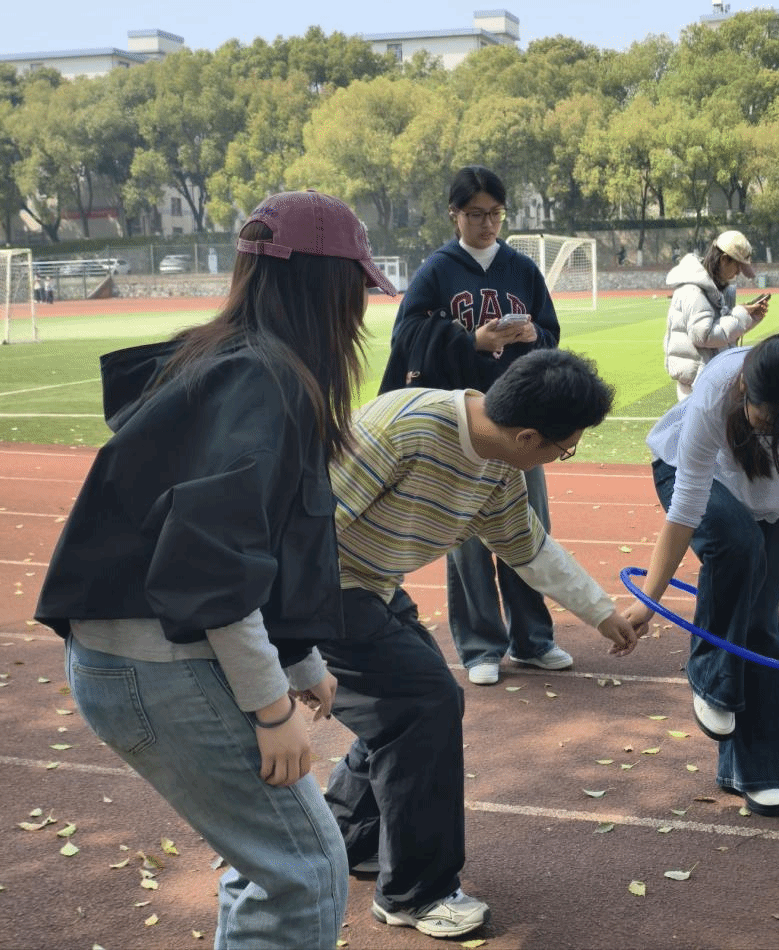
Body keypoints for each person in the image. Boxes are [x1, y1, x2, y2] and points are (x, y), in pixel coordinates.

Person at [34, 191, 396, 949]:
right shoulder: (264, 379)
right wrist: (270, 708)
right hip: (157, 662)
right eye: (355, 287)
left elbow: (256, 534)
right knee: (303, 868)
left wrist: (298, 661)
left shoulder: (223, 357)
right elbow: (210, 562)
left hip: (132, 654)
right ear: (325, 287)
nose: (360, 308)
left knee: (268, 858)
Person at [320, 348, 644, 938]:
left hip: (374, 585)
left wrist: (601, 613)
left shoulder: (497, 467)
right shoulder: (403, 428)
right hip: (324, 588)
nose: (560, 459)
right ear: (528, 437)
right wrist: (283, 649)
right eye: (564, 449)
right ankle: (415, 894)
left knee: (407, 713)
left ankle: (346, 836)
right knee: (425, 705)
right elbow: (307, 528)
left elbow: (527, 546)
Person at [621, 333, 779, 817]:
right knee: (737, 544)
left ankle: (757, 772)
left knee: (761, 626)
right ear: (745, 388)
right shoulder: (716, 391)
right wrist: (648, 602)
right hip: (690, 473)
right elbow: (685, 512)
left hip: (767, 496)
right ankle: (711, 679)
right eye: (769, 421)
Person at [381, 164, 566, 688]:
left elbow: (551, 332)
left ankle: (533, 639)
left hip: (521, 421)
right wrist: (472, 342)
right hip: (460, 423)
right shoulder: (438, 270)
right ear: (454, 215)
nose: (487, 225)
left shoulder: (521, 269)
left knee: (528, 529)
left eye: (495, 214)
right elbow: (407, 336)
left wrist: (532, 336)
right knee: (466, 537)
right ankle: (481, 644)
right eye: (476, 214)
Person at [663, 230, 770, 401]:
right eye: (738, 266)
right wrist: (740, 315)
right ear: (724, 259)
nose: (738, 273)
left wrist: (749, 318)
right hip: (696, 386)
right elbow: (704, 336)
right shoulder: (694, 291)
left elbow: (722, 332)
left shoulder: (712, 287)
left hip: (707, 380)